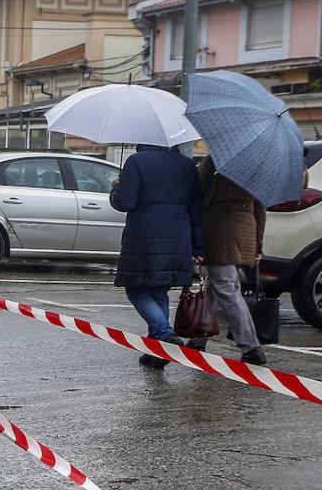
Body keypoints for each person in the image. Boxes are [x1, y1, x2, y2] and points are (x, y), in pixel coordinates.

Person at [110, 144, 204, 369]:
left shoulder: (136, 162)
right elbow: (196, 209)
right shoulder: (187, 165)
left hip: (145, 231)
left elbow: (125, 202)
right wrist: (199, 247)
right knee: (159, 290)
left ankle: (165, 334)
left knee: (135, 288)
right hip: (179, 233)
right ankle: (157, 352)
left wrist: (115, 189)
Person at [191, 156, 267, 366]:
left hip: (219, 228)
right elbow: (260, 209)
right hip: (246, 230)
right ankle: (197, 339)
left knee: (225, 287)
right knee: (216, 287)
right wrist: (258, 245)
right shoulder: (256, 165)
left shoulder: (215, 160)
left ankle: (251, 346)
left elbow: (200, 193)